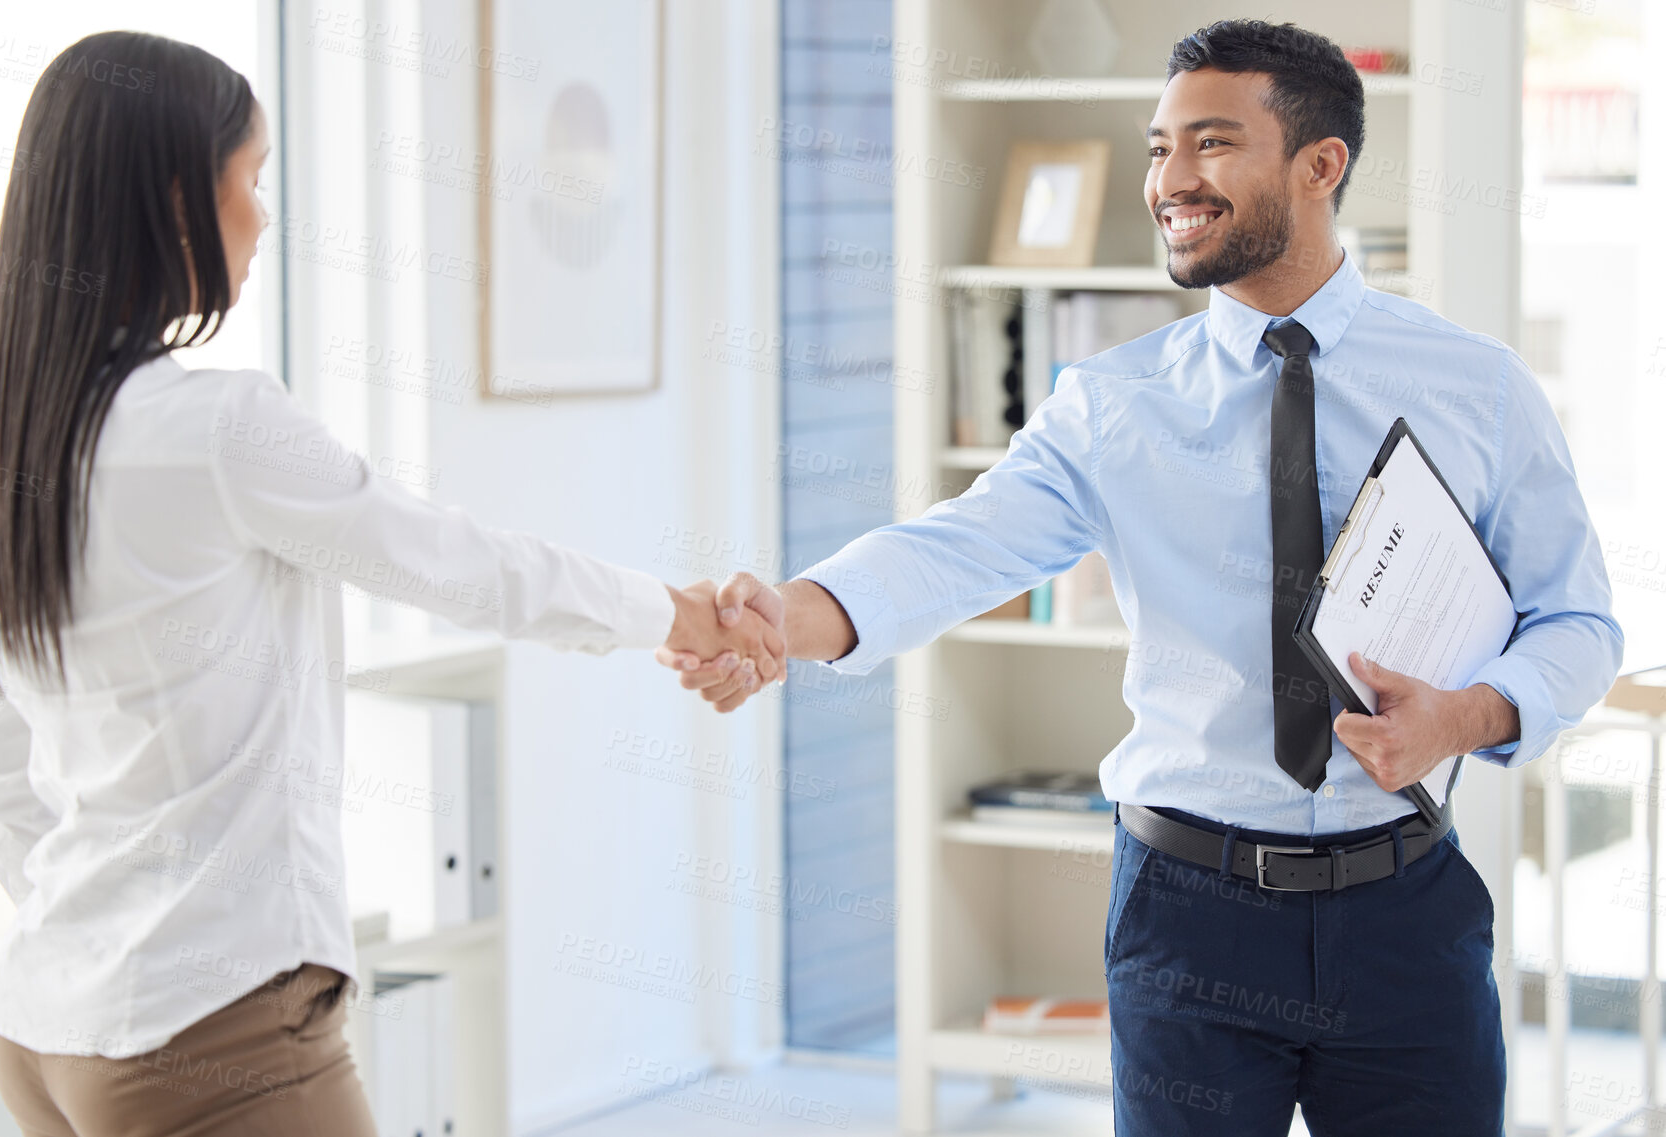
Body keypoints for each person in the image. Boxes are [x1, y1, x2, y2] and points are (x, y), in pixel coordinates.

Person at [663, 19, 1623, 1136]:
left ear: (1322, 166)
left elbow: (1579, 620)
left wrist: (1467, 714)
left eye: (1211, 145)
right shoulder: (1111, 403)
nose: (1170, 180)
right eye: (1159, 147)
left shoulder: (1479, 387)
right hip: (1189, 920)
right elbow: (955, 548)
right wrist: (787, 616)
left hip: (1406, 910)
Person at [0, 31, 775, 1137]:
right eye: (254, 178)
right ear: (180, 201)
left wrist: (93, 939)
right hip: (207, 1030)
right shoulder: (217, 429)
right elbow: (457, 564)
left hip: (45, 1026)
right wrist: (678, 612)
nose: (266, 216)